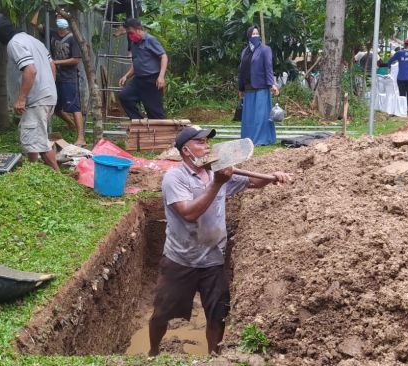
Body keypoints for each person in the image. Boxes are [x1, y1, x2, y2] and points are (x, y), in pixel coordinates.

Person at [149, 126, 291, 356]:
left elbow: (253, 183)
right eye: (201, 142)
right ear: (186, 150)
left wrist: (274, 177)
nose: (207, 146)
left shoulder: (216, 172)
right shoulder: (174, 178)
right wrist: (217, 183)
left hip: (213, 260)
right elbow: (189, 213)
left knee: (218, 315)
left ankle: (214, 356)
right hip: (180, 260)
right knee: (161, 314)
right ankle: (153, 352)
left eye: (207, 142)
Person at [0, 13, 59, 171]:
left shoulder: (15, 43)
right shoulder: (33, 40)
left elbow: (30, 70)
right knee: (31, 136)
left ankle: (58, 178)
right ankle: (31, 170)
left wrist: (21, 99)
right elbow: (52, 65)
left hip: (37, 99)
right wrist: (48, 87)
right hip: (47, 96)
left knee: (38, 141)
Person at [30, 11, 86, 147]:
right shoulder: (52, 33)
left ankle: (81, 137)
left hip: (68, 78)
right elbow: (34, 23)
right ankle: (71, 124)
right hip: (54, 77)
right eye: (58, 17)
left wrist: (55, 63)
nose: (60, 19)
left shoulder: (73, 38)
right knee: (55, 108)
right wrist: (39, 7)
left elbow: (75, 60)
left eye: (62, 17)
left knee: (74, 107)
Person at [118, 18, 167, 120]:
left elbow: (164, 57)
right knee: (125, 96)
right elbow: (136, 64)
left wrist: (161, 77)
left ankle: (160, 133)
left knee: (155, 113)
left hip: (152, 80)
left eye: (131, 33)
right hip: (138, 80)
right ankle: (138, 122)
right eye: (128, 34)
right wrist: (126, 76)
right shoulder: (134, 44)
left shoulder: (150, 40)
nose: (130, 36)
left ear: (139, 29)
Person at [238, 26, 279, 145]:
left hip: (261, 87)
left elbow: (268, 68)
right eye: (253, 34)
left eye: (257, 34)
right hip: (248, 88)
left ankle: (261, 139)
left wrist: (272, 84)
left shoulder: (265, 49)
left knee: (261, 116)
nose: (255, 36)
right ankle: (248, 139)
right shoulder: (245, 51)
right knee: (249, 117)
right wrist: (240, 88)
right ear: (249, 35)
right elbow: (241, 70)